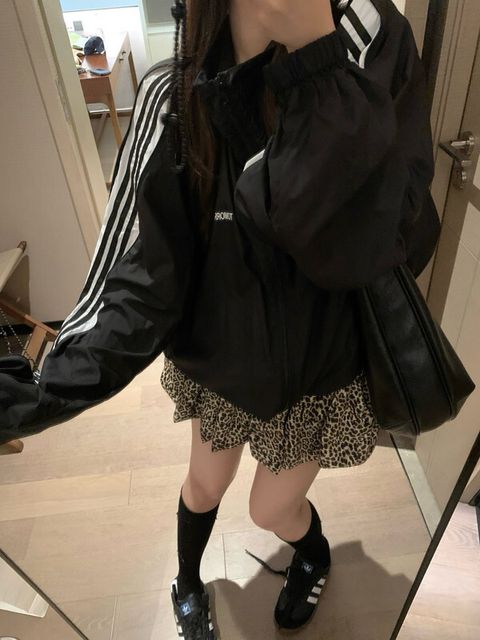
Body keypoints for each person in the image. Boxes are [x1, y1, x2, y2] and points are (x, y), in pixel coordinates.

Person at [0, 0, 440, 637]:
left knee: (270, 510)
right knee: (202, 486)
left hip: (320, 364)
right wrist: (41, 392)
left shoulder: (374, 39)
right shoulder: (177, 92)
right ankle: (185, 580)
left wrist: (320, 72)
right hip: (224, 353)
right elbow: (141, 278)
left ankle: (312, 553)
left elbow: (395, 236)